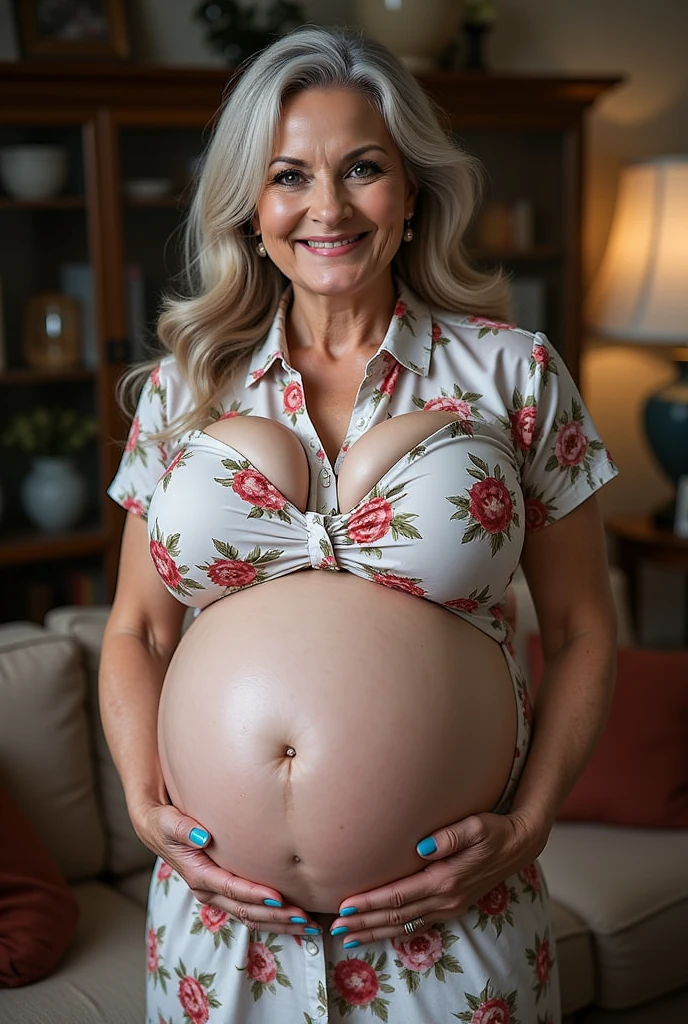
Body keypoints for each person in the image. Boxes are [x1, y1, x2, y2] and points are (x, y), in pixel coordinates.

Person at [100, 25, 618, 1024]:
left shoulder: (514, 374)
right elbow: (138, 629)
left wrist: (530, 822)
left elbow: (587, 627)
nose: (327, 207)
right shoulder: (184, 388)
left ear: (412, 191)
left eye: (363, 169)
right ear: (251, 208)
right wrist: (142, 804)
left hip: (453, 931)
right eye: (289, 174)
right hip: (225, 934)